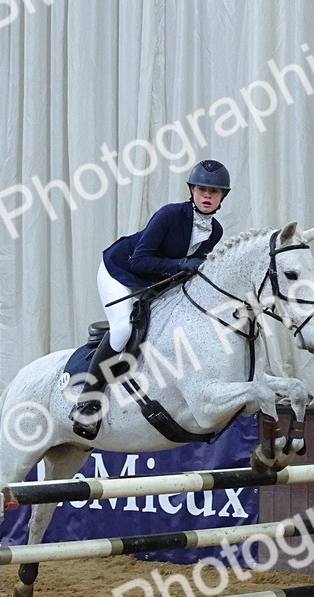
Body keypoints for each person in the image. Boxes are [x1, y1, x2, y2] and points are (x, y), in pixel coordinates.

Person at [69, 159, 232, 439]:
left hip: (156, 279)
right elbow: (140, 259)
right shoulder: (169, 215)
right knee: (122, 329)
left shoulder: (215, 231)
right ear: (192, 190)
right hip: (120, 271)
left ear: (222, 197)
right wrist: (182, 263)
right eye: (202, 189)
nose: (207, 196)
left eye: (214, 192)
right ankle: (88, 402)